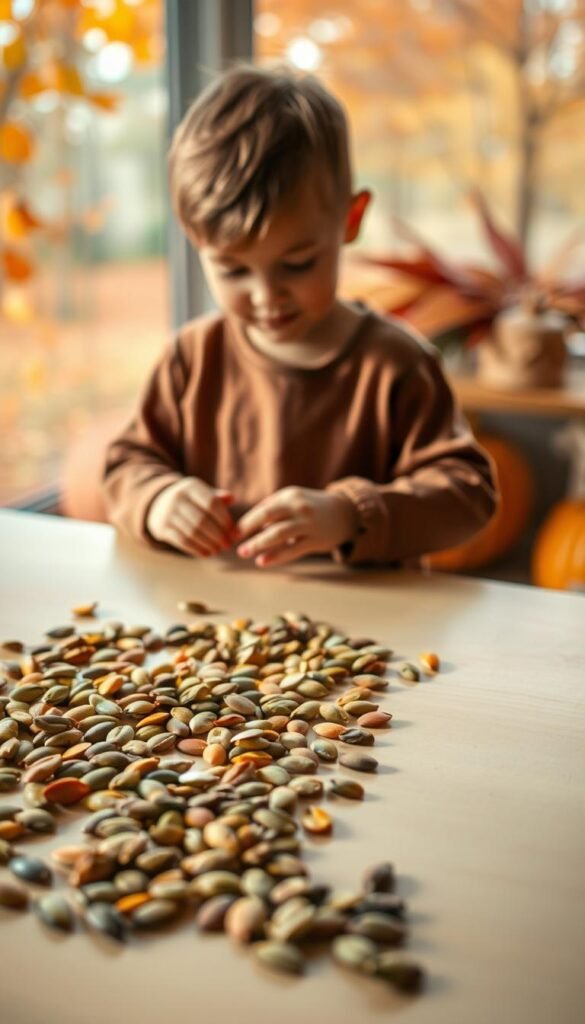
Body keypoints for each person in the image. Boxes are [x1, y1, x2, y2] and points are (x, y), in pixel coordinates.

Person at [103, 64, 497, 568]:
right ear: (193, 239)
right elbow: (125, 465)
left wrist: (350, 514)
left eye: (297, 264)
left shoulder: (397, 364)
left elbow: (468, 495)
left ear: (349, 220)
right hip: (216, 629)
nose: (267, 296)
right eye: (232, 269)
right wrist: (158, 499)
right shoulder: (191, 359)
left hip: (373, 632)